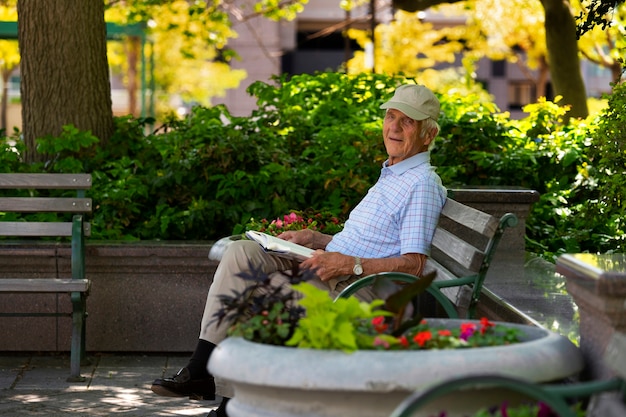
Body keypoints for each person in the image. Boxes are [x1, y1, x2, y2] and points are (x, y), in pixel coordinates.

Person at [150, 84, 448, 417]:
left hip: (359, 291)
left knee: (260, 292)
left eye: (407, 122)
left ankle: (232, 407)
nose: (393, 127)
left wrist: (352, 264)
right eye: (391, 116)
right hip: (335, 269)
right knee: (243, 253)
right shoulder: (394, 173)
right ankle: (201, 369)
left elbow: (414, 265)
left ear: (427, 134)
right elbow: (369, 239)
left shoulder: (420, 183)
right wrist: (317, 238)